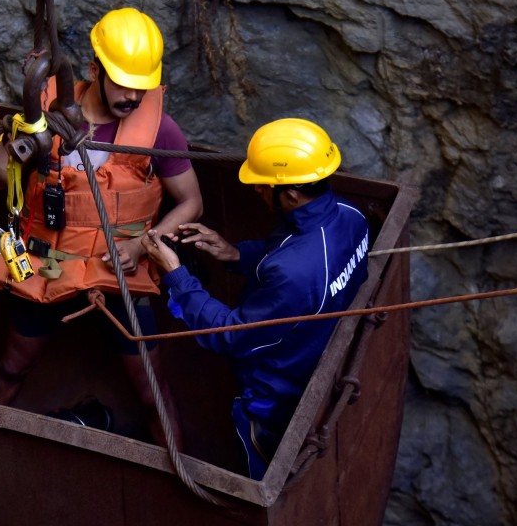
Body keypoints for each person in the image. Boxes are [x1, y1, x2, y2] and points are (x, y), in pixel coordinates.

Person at [0, 8, 203, 448]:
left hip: (119, 273)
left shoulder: (159, 131)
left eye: (141, 86)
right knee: (11, 367)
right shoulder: (47, 111)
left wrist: (142, 244)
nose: (132, 95)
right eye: (121, 82)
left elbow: (191, 201)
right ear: (95, 69)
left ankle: (180, 470)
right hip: (47, 265)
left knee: (152, 390)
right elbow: (1, 176)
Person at [142, 118, 371, 479]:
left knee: (260, 467)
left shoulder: (296, 272)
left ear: (291, 194)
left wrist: (175, 274)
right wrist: (235, 254)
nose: (257, 192)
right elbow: (289, 256)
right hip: (310, 353)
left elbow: (230, 336)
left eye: (263, 187)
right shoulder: (350, 217)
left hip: (276, 394)